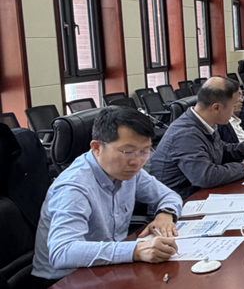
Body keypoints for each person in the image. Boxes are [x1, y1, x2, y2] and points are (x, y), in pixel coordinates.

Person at [31, 106, 182, 284]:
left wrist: (165, 214)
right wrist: (135, 250)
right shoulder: (74, 187)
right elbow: (62, 252)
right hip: (65, 279)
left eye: (144, 152)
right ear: (97, 148)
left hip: (107, 267)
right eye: (128, 152)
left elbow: (169, 196)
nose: (137, 161)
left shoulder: (127, 171)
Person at [150, 77, 244, 200]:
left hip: (198, 195)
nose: (234, 112)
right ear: (216, 107)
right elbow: (205, 176)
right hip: (179, 204)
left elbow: (219, 148)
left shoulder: (205, 123)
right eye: (232, 107)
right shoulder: (185, 134)